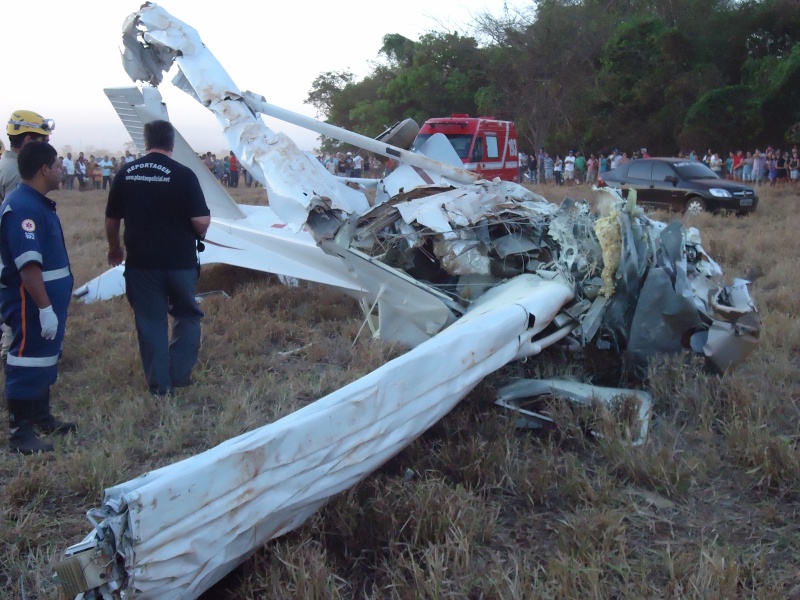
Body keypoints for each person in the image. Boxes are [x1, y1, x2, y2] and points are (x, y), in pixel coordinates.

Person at [105, 120, 210, 396]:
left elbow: (112, 219)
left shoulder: (125, 173)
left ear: (146, 142)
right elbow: (200, 220)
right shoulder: (183, 174)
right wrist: (200, 230)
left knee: (150, 321)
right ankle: (179, 374)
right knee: (187, 315)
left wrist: (114, 247)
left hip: (141, 264)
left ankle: (160, 386)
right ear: (171, 143)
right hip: (180, 263)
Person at [0, 142, 75, 454]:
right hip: (30, 301)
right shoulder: (24, 208)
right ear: (44, 169)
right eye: (57, 165)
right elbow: (28, 265)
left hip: (46, 300)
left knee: (44, 357)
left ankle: (41, 416)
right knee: (26, 359)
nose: (61, 170)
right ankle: (20, 432)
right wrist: (44, 308)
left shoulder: (36, 203)